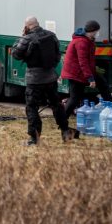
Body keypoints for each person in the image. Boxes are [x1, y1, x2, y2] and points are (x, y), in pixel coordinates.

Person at [12, 15, 71, 145]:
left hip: (34, 79)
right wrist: (51, 67)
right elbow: (57, 54)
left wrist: (21, 37)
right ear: (38, 24)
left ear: (27, 26)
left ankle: (35, 138)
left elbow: (16, 54)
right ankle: (65, 131)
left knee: (32, 107)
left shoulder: (27, 38)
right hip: (50, 77)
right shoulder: (51, 35)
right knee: (56, 105)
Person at [62, 20, 112, 135]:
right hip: (75, 73)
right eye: (96, 31)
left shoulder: (88, 40)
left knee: (103, 84)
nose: (97, 33)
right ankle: (62, 120)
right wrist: (90, 78)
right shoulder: (81, 42)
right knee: (74, 98)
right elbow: (83, 62)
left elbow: (89, 61)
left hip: (84, 71)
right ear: (91, 31)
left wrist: (93, 74)